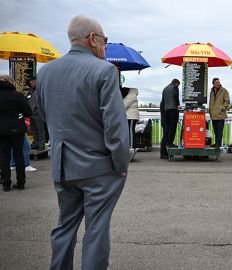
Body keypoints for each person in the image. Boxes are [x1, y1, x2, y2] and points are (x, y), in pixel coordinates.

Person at [36, 15, 130, 270]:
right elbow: (115, 126)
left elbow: (44, 116)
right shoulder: (104, 70)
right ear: (92, 39)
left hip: (62, 166)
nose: (105, 46)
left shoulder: (46, 72)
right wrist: (121, 165)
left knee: (64, 226)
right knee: (96, 230)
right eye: (104, 40)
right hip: (98, 168)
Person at [0, 75, 32, 191]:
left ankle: (5, 183)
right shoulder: (17, 95)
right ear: (11, 82)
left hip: (1, 130)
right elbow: (28, 112)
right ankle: (21, 182)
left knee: (4, 156)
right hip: (17, 128)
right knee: (18, 155)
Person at [209, 78, 230, 149]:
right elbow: (210, 102)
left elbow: (227, 101)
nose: (218, 83)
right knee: (215, 130)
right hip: (213, 114)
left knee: (219, 130)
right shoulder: (211, 91)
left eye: (219, 82)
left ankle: (218, 144)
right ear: (213, 84)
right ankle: (216, 143)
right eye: (216, 82)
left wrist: (222, 108)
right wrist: (210, 111)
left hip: (221, 114)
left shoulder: (224, 90)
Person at [27, 77, 46, 150]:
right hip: (31, 112)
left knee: (39, 128)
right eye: (30, 83)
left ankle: (41, 143)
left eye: (32, 82)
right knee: (33, 128)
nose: (31, 84)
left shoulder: (40, 89)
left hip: (38, 111)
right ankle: (35, 142)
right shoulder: (30, 90)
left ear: (36, 81)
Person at [162, 79, 180, 148]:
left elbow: (163, 101)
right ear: (176, 83)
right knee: (173, 127)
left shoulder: (165, 89)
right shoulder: (175, 87)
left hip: (166, 110)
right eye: (178, 85)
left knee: (168, 128)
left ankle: (167, 143)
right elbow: (176, 96)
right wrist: (178, 105)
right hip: (173, 110)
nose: (178, 86)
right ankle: (170, 143)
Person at [123, 87, 140, 160]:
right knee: (131, 131)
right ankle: (132, 145)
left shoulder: (131, 95)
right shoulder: (133, 95)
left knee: (130, 131)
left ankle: (131, 146)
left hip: (131, 116)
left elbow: (124, 105)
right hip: (132, 116)